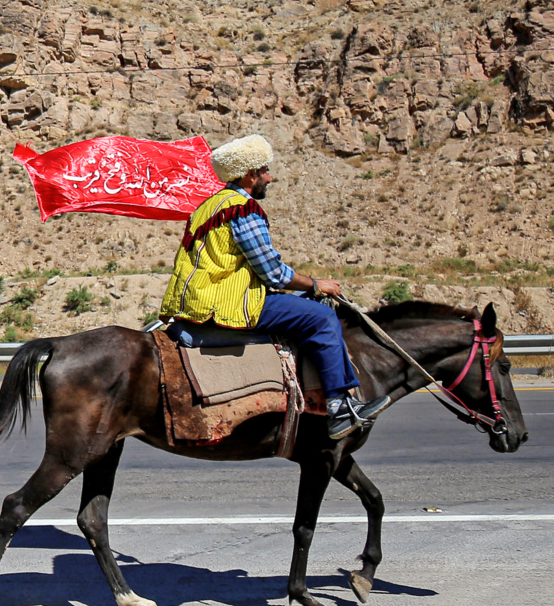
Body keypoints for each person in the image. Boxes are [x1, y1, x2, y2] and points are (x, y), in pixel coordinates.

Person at [159, 134, 389, 439]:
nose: (270, 177)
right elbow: (272, 272)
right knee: (321, 318)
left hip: (197, 301)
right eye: (265, 171)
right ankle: (339, 407)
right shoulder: (243, 208)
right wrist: (317, 284)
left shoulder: (209, 206)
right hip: (229, 302)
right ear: (250, 174)